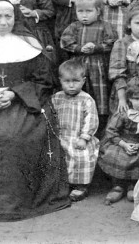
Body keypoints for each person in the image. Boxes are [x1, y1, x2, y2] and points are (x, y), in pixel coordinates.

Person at [0, 0, 69, 221]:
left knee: (16, 136)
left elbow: (43, 81)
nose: (3, 22)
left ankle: (18, 199)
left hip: (23, 102)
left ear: (15, 17)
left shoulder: (29, 46)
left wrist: (14, 93)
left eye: (8, 16)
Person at [60, 0, 118, 119]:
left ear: (98, 11)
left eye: (88, 11)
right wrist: (79, 48)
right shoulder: (74, 26)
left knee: (100, 94)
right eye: (80, 11)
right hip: (79, 65)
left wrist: (97, 48)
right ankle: (80, 118)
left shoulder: (105, 26)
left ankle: (101, 122)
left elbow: (112, 42)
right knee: (80, 90)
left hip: (99, 67)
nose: (84, 15)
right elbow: (65, 42)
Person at [99, 76, 139, 204]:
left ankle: (133, 185)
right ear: (129, 99)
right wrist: (123, 144)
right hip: (122, 141)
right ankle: (118, 186)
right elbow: (111, 131)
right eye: (137, 99)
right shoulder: (124, 113)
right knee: (117, 156)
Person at [52, 59, 99, 202]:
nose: (71, 85)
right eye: (67, 81)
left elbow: (91, 119)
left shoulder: (86, 99)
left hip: (79, 137)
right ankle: (63, 184)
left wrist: (84, 137)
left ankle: (80, 186)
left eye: (76, 81)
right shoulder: (56, 97)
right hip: (62, 136)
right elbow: (51, 116)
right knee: (60, 158)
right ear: (60, 80)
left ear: (83, 81)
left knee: (82, 158)